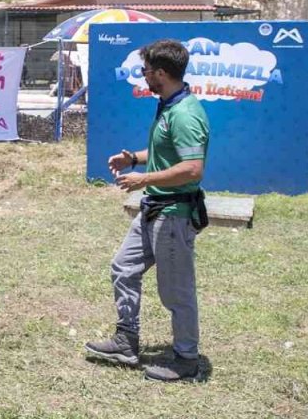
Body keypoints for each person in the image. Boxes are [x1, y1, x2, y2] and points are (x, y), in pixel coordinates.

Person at [85, 39, 209, 383]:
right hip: (154, 208)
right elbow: (166, 152)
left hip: (174, 214)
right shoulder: (169, 105)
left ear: (162, 73)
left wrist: (144, 179)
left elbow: (193, 168)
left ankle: (186, 359)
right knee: (123, 267)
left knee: (176, 291)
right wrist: (134, 159)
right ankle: (126, 341)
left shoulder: (185, 114)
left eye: (146, 71)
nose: (143, 76)